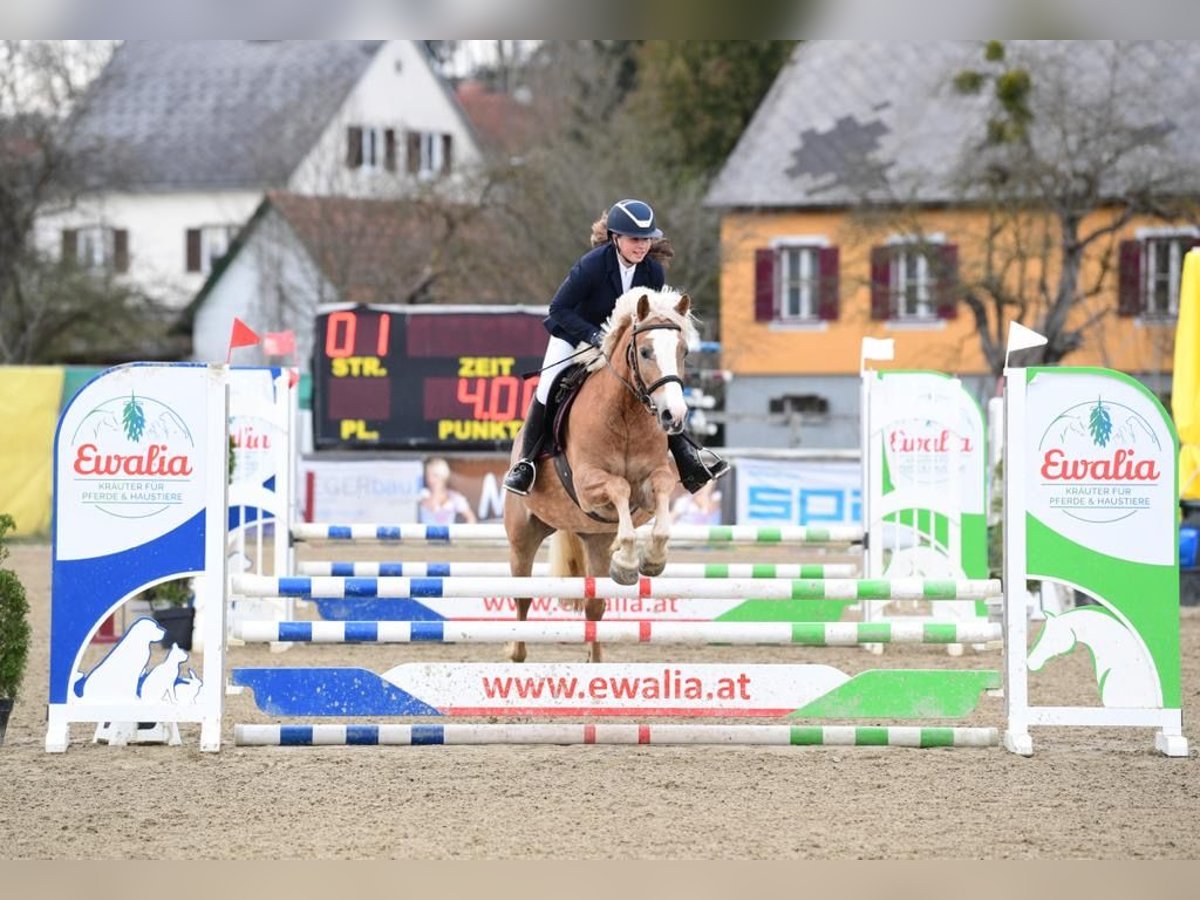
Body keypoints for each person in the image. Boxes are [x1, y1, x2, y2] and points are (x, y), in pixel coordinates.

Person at [503, 198, 729, 496]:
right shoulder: (592, 266)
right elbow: (558, 309)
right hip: (578, 334)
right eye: (635, 239)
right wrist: (596, 337)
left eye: (647, 239)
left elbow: (652, 318)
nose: (642, 246)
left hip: (624, 342)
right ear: (615, 238)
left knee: (656, 385)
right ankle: (526, 464)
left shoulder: (653, 272)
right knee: (547, 387)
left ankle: (686, 458)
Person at [417, 457, 478, 525]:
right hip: (425, 535)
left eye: (435, 476)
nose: (430, 480)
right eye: (428, 475)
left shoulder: (454, 497)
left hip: (448, 535)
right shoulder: (422, 494)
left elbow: (471, 518)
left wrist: (460, 533)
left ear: (443, 477)